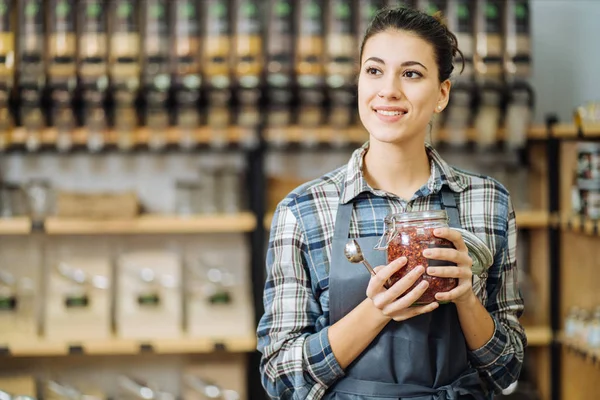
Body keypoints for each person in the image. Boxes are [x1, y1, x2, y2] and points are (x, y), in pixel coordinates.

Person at [257, 6, 526, 400]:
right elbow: (281, 376)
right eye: (374, 70)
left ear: (442, 94)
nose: (388, 90)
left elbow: (508, 370)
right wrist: (376, 311)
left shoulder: (488, 202)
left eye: (412, 73)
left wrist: (466, 299)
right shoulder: (303, 210)